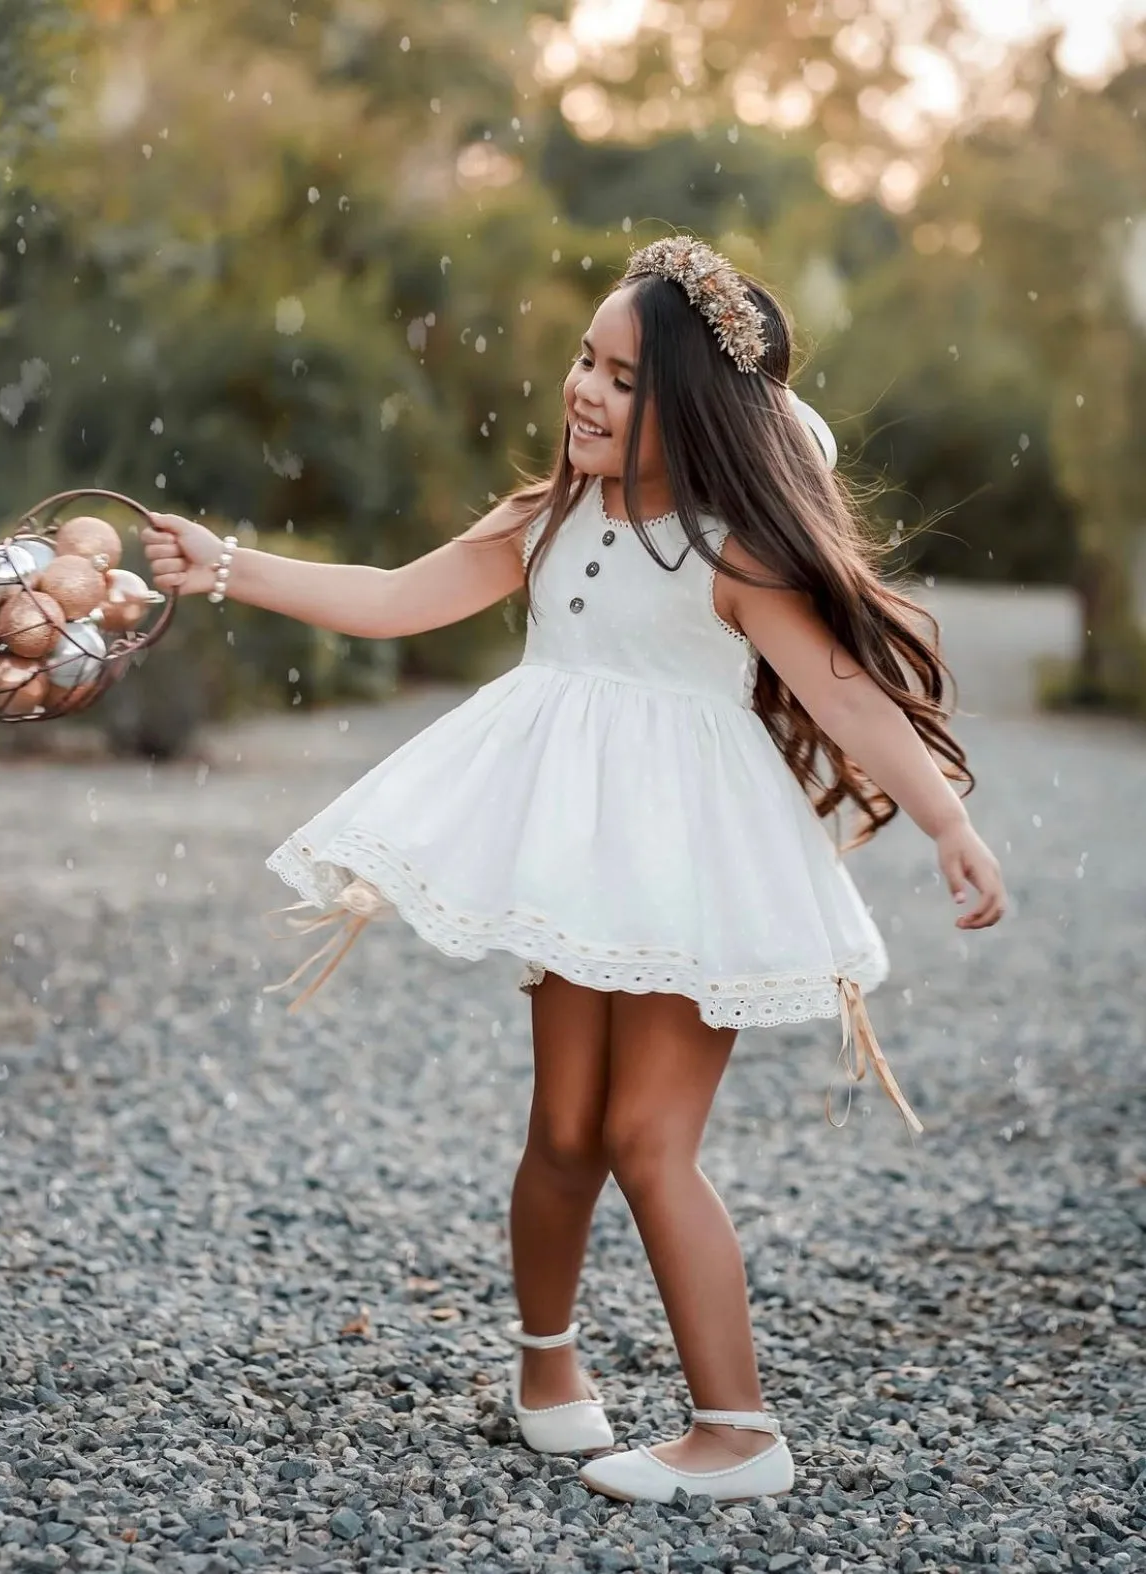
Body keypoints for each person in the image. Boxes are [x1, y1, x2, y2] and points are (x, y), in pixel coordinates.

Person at [143, 234, 1006, 1506]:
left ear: (694, 410)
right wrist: (226, 563)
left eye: (622, 377)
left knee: (647, 1139)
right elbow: (390, 597)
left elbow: (844, 692)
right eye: (583, 360)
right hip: (575, 857)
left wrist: (946, 820)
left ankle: (737, 1429)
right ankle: (546, 1373)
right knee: (561, 1131)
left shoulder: (734, 553)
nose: (586, 392)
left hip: (689, 867)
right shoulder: (544, 519)